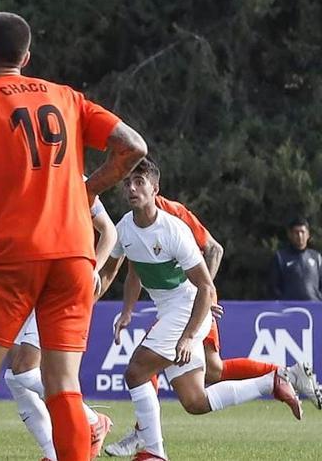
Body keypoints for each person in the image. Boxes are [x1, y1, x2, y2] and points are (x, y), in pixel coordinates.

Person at [0, 11, 148, 460]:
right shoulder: (67, 98)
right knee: (64, 388)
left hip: (14, 255)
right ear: (27, 56)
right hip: (75, 256)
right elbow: (134, 145)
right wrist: (88, 189)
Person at [100, 172, 321, 456]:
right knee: (195, 399)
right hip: (172, 308)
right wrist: (127, 310)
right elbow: (132, 270)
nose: (131, 188)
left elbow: (213, 254)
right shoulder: (126, 228)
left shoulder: (174, 221)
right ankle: (274, 380)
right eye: (127, 183)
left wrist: (194, 327)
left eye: (139, 182)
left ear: (155, 188)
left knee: (138, 369)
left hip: (193, 303)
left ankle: (149, 443)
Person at [0, 190, 118, 460]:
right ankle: (53, 452)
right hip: (27, 284)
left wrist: (93, 269)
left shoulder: (74, 181)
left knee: (23, 371)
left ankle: (93, 421)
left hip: (58, 285)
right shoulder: (23, 180)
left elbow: (109, 233)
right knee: (16, 378)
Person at [270, 217, 322, 301]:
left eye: (302, 232)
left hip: (314, 309)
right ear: (290, 235)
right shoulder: (280, 257)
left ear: (308, 234)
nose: (300, 236)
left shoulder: (316, 257)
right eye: (296, 232)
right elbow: (274, 287)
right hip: (290, 309)